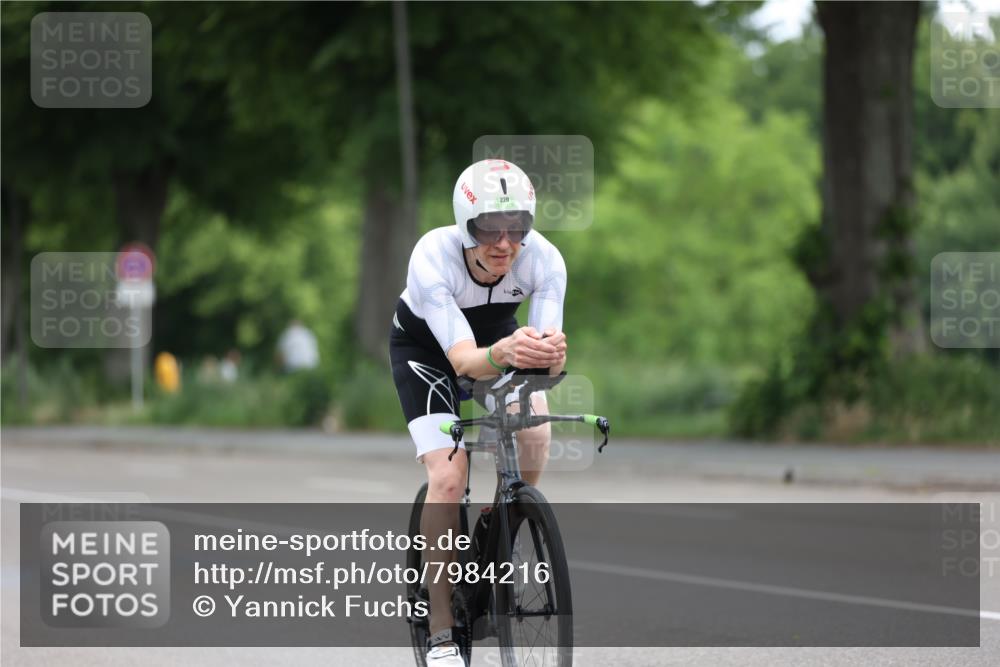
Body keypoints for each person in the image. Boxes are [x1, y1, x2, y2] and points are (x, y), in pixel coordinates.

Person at [389, 159, 567, 666]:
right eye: (488, 227)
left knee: (536, 430)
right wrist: (510, 351)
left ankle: (502, 520)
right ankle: (442, 630)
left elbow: (546, 360)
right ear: (464, 225)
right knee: (448, 477)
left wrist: (550, 357)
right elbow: (464, 362)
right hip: (426, 350)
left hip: (497, 338)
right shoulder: (432, 256)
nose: (504, 242)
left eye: (517, 228)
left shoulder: (546, 260)